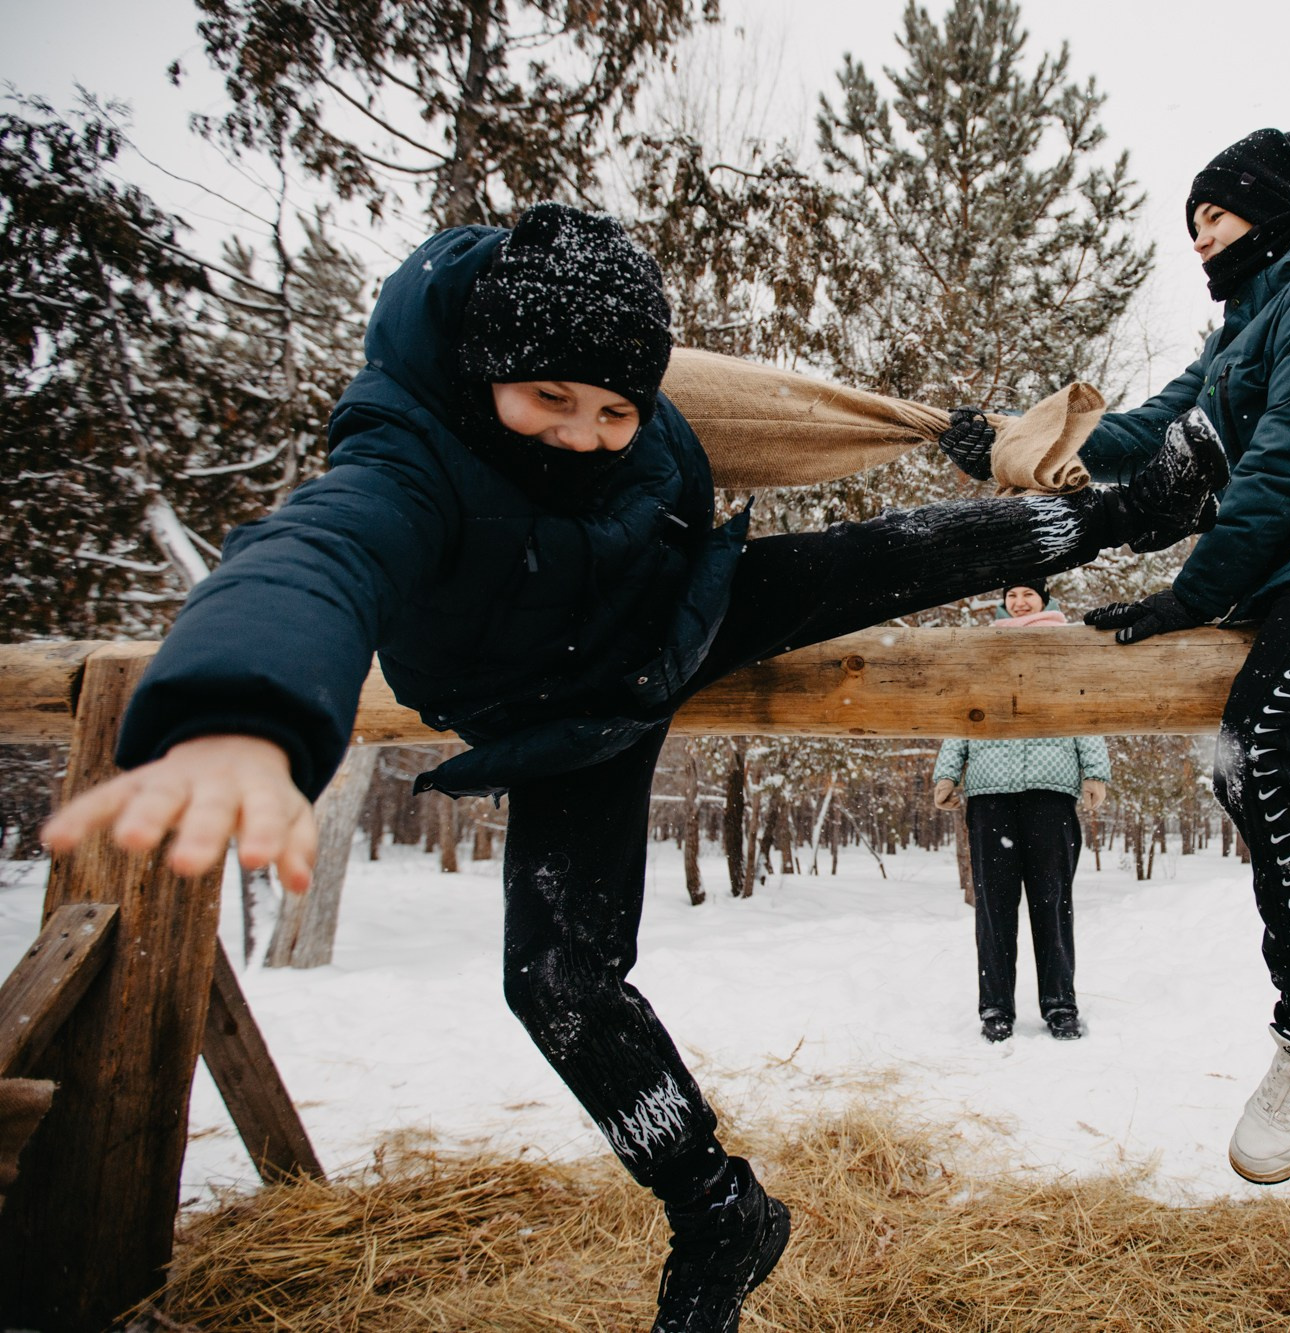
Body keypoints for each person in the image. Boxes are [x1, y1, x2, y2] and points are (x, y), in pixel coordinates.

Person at [40, 204, 1228, 1332]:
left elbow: (771, 416)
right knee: (554, 981)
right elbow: (317, 554)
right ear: (481, 369)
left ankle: (1130, 512)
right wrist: (238, 712)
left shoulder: (659, 410)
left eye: (613, 411)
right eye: (546, 398)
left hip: (667, 617)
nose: (583, 433)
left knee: (876, 558)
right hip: (562, 709)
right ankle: (718, 1211)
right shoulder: (408, 449)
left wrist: (954, 434)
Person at [943, 130, 1290, 1186]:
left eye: (1213, 222)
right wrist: (1015, 444)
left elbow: (1288, 465)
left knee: (1259, 749)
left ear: (1267, 213)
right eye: (1191, 228)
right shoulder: (1246, 324)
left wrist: (1192, 592)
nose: (1199, 244)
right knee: (1246, 766)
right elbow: (1143, 428)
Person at [932, 579, 1111, 1043]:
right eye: (1012, 595)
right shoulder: (986, 650)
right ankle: (995, 1008)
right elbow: (963, 713)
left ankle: (1060, 1006)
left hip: (1050, 793)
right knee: (994, 908)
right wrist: (947, 773)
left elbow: (1084, 708)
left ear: (1045, 600)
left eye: (1028, 594)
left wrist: (1095, 772)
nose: (1019, 601)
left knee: (1052, 907)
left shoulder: (1063, 647)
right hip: (991, 795)